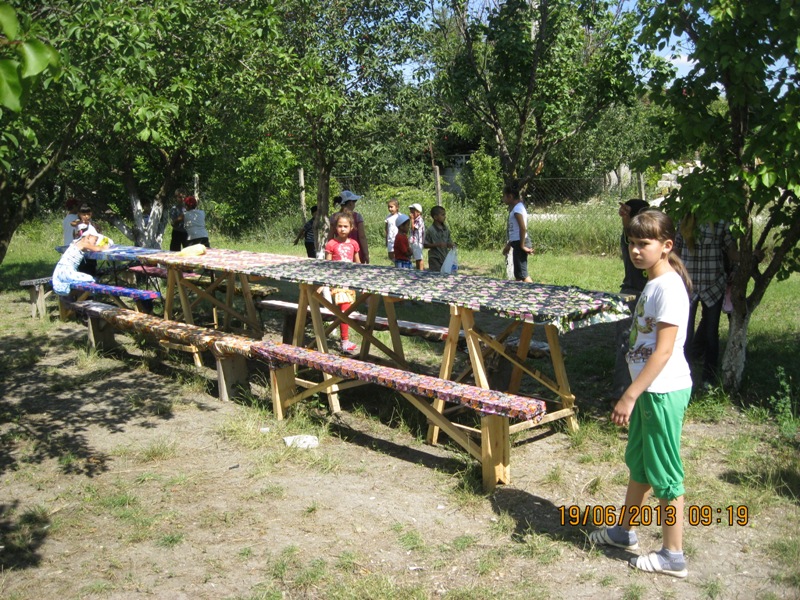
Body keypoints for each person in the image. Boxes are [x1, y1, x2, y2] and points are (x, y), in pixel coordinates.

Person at [589, 209, 693, 579]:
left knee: (665, 472)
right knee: (640, 463)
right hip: (649, 391)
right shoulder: (654, 281)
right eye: (631, 243)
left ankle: (673, 555)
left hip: (660, 391)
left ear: (666, 245)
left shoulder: (669, 288)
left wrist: (629, 395)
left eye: (643, 243)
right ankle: (624, 531)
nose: (635, 250)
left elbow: (663, 352)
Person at [676, 215, 737, 388]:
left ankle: (709, 377)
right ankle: (682, 375)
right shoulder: (683, 221)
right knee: (684, 333)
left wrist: (750, 257)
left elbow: (732, 252)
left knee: (711, 333)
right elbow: (676, 251)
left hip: (713, 285)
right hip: (688, 286)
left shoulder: (721, 222)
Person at [612, 199, 651, 398]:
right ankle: (620, 395)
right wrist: (626, 217)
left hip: (644, 294)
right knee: (626, 345)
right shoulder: (630, 237)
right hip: (631, 294)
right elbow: (628, 230)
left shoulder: (647, 239)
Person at [324, 212, 361, 354]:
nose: (342, 229)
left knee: (346, 309)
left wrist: (360, 278)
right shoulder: (331, 244)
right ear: (335, 227)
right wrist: (327, 282)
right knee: (344, 309)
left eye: (345, 226)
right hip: (337, 282)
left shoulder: (354, 244)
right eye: (340, 226)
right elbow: (327, 265)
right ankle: (344, 341)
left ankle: (342, 338)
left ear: (351, 227)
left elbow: (357, 263)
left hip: (349, 282)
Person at [53, 225, 107, 296]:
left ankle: (79, 297)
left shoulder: (76, 243)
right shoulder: (83, 244)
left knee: (85, 280)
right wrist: (104, 247)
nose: (95, 243)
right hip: (67, 271)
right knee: (91, 279)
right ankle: (87, 296)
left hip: (59, 270)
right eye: (95, 240)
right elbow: (96, 249)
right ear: (88, 236)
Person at [501, 181, 533, 282]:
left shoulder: (517, 209)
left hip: (520, 243)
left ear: (510, 196)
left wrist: (522, 246)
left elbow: (523, 228)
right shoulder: (517, 208)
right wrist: (509, 245)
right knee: (518, 276)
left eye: (504, 196)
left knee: (523, 275)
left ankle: (535, 290)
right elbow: (515, 231)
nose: (503, 199)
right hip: (517, 243)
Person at [328, 191, 369, 264]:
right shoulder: (357, 217)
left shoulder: (334, 217)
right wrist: (366, 253)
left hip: (338, 251)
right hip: (355, 252)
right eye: (354, 202)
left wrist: (330, 249)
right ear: (350, 203)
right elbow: (362, 236)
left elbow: (330, 236)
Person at [423, 205, 454, 273]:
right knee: (435, 275)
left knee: (445, 274)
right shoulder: (431, 230)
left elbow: (448, 241)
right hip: (434, 258)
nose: (444, 217)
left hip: (444, 257)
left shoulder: (446, 229)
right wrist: (437, 245)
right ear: (435, 217)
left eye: (444, 215)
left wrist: (450, 244)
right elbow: (425, 245)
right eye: (442, 215)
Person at [72, 204, 99, 276]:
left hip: (91, 252)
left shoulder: (91, 224)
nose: (86, 216)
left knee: (92, 271)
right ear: (79, 214)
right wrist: (80, 222)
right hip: (82, 254)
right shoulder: (79, 223)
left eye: (88, 214)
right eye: (84, 215)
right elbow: (73, 223)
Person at [408, 203, 425, 270]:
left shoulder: (419, 220)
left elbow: (413, 228)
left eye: (413, 212)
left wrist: (411, 220)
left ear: (418, 212)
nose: (411, 214)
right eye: (410, 212)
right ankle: (418, 270)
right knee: (416, 258)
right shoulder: (415, 220)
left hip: (418, 242)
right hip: (414, 241)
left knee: (419, 258)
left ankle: (421, 270)